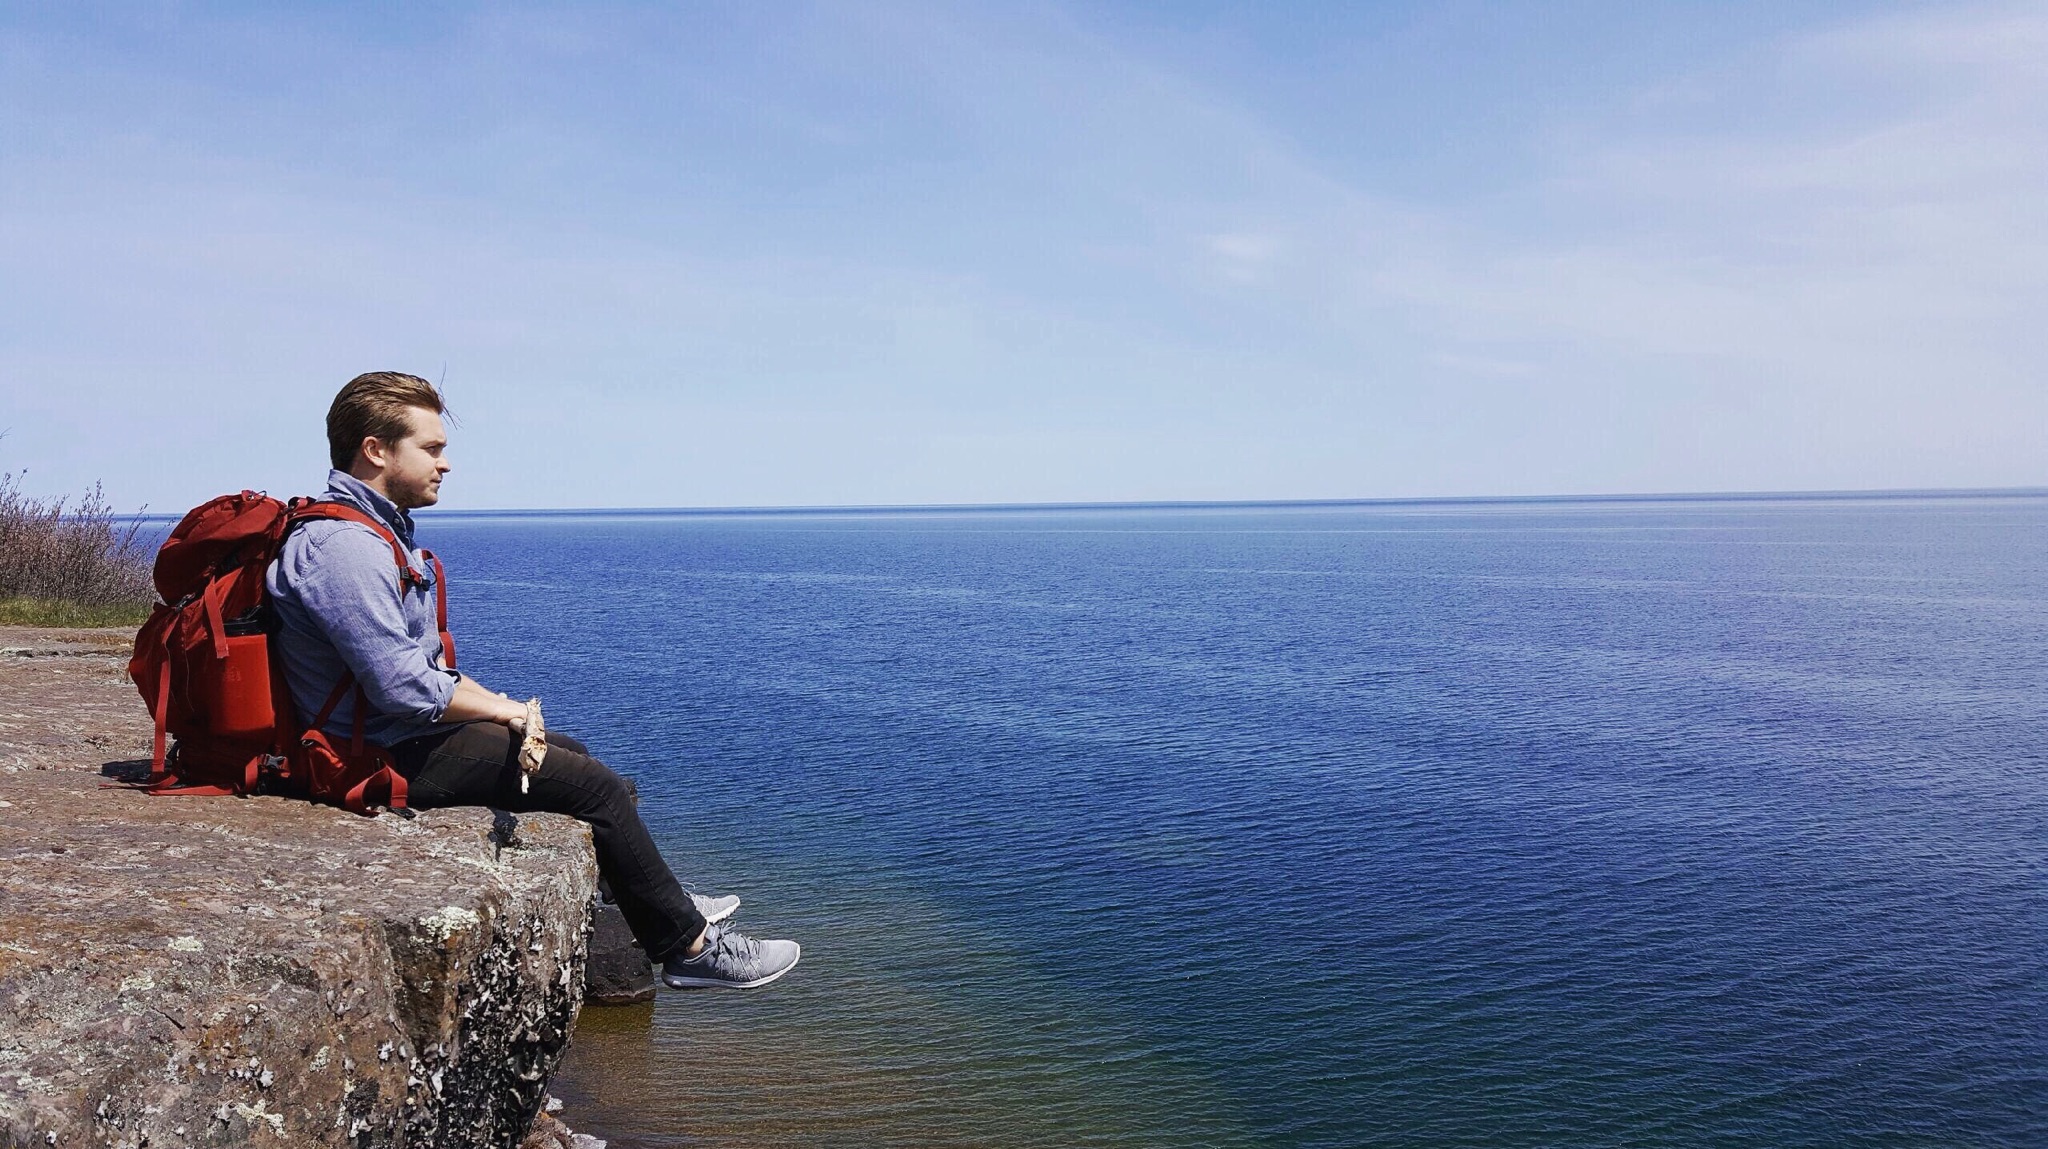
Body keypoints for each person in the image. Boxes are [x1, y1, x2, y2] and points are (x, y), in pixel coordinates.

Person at [266, 371, 800, 990]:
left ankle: (654, 898)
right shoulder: (345, 549)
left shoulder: (372, 532)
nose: (446, 465)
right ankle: (689, 948)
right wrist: (501, 709)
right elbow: (402, 686)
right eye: (431, 448)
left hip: (393, 733)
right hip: (374, 751)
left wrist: (502, 709)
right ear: (376, 450)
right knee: (594, 787)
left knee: (575, 757)